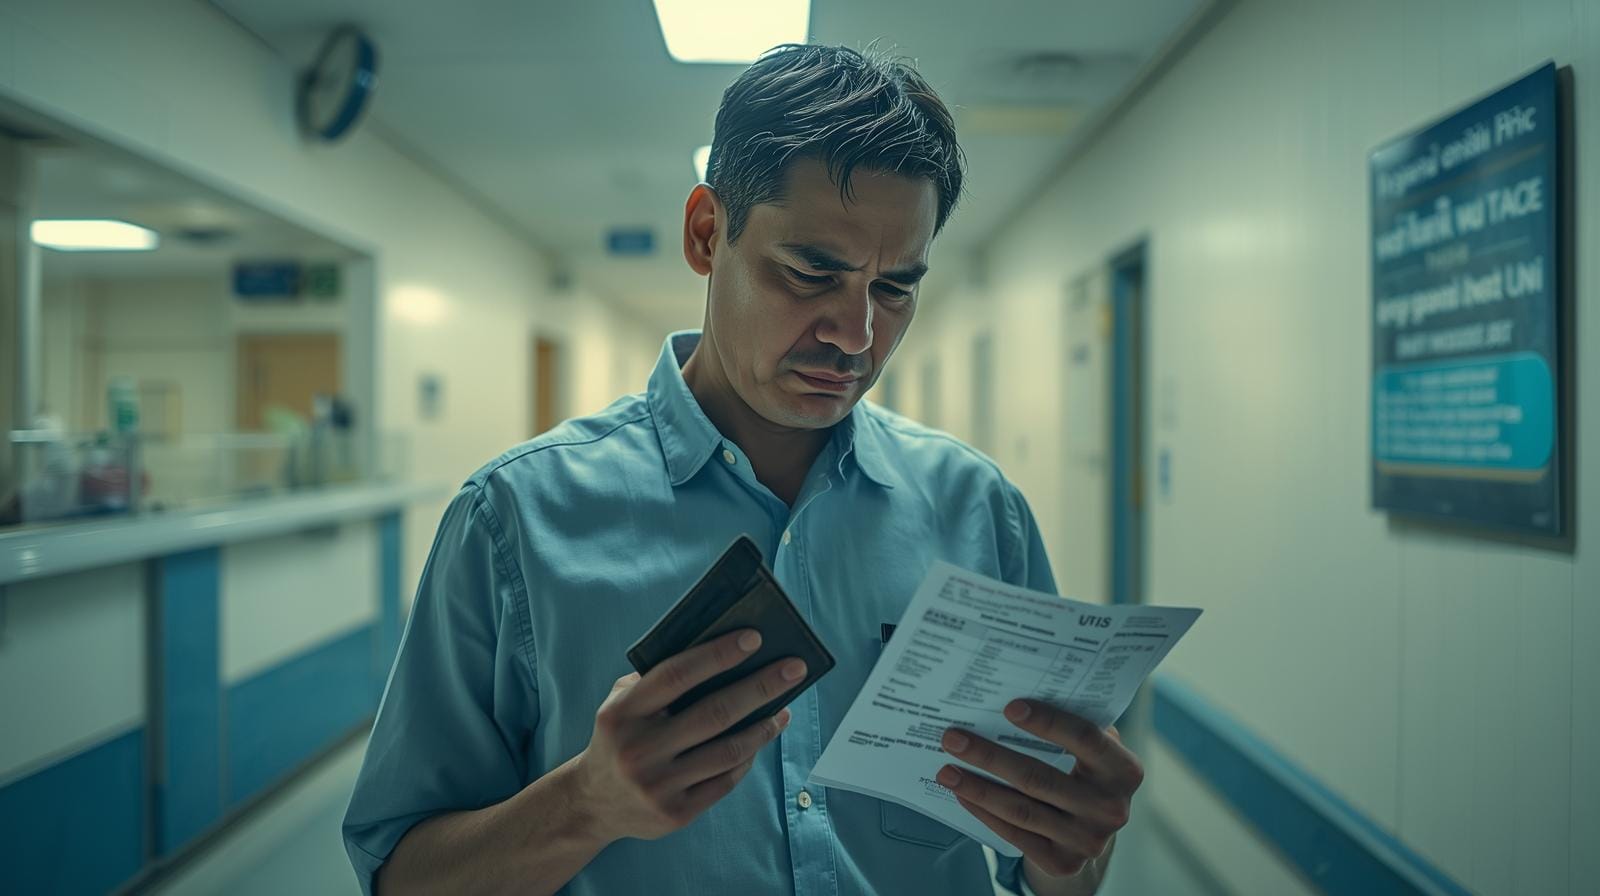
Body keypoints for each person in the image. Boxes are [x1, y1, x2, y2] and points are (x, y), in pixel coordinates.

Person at [343, 43, 1142, 896]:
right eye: (811, 273)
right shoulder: (515, 520)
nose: (856, 335)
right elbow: (403, 878)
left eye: (895, 290)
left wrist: (1076, 853)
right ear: (705, 232)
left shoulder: (981, 513)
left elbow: (1048, 873)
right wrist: (588, 803)